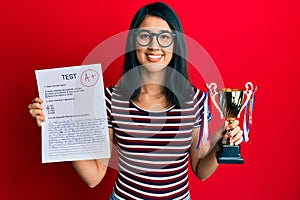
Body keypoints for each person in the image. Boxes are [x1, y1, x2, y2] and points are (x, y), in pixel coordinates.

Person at [28, 2, 243, 200]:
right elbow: (94, 177)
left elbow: (200, 171)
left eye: (164, 37)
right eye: (144, 37)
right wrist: (56, 125)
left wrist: (221, 145)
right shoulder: (110, 99)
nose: (154, 46)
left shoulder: (194, 100)